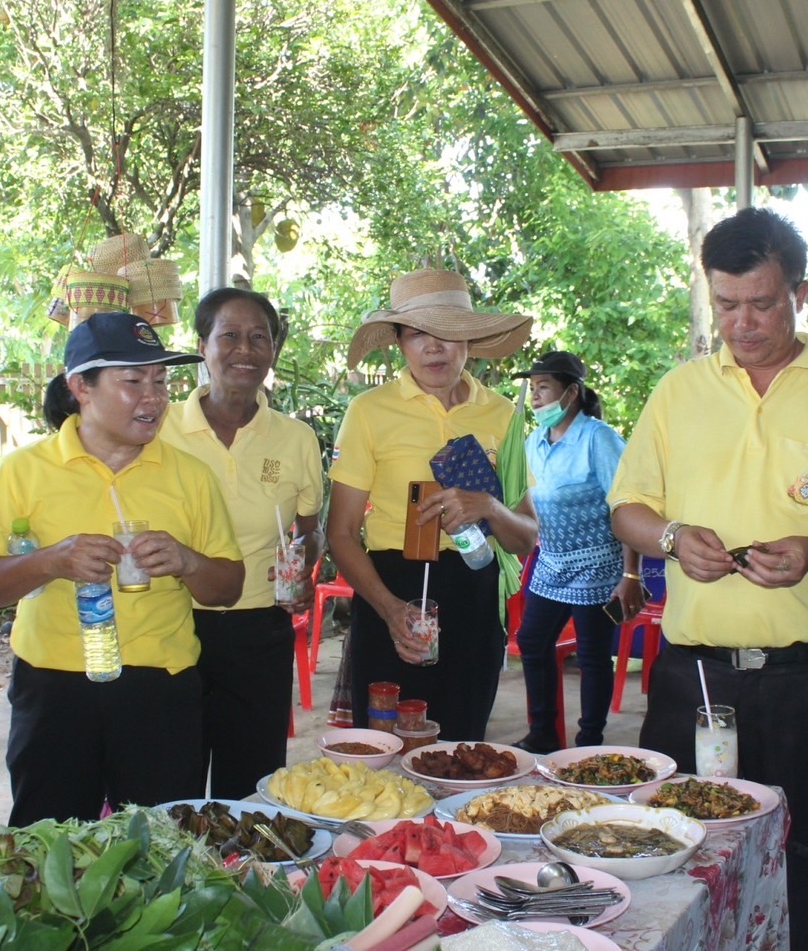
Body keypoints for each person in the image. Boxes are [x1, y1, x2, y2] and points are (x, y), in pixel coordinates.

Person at [608, 207, 808, 951]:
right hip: (694, 679)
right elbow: (627, 509)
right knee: (670, 854)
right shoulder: (679, 393)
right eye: (726, 305)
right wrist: (675, 538)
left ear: (799, 295)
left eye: (762, 303)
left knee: (793, 861)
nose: (742, 323)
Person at [0, 312, 243, 825]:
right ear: (80, 387)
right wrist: (50, 561)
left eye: (161, 381)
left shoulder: (190, 476)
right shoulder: (22, 471)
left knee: (162, 849)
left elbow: (228, 587)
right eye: (132, 381)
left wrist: (187, 561)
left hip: (161, 690)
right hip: (54, 688)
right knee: (50, 849)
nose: (152, 398)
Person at [330, 268, 537, 741]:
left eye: (446, 333)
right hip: (391, 590)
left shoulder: (501, 414)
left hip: (473, 593)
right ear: (399, 343)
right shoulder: (369, 411)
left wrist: (488, 505)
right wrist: (389, 609)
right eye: (417, 334)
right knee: (384, 752)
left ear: (469, 341)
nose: (433, 347)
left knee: (461, 753)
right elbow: (340, 533)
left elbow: (526, 536)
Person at [161, 287, 323, 799]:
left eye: (260, 338)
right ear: (202, 345)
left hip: (260, 631)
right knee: (172, 777)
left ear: (274, 349)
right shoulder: (158, 429)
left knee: (251, 786)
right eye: (229, 336)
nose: (245, 351)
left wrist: (302, 574)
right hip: (170, 626)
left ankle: (241, 877)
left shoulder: (295, 438)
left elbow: (308, 528)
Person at [507, 351, 643, 753]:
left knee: (592, 656)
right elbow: (530, 503)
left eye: (543, 387)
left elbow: (627, 505)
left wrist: (630, 575)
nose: (535, 397)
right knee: (532, 641)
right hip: (550, 563)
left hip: (599, 565)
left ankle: (589, 744)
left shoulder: (598, 438)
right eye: (532, 388)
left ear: (571, 392)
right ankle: (544, 733)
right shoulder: (533, 442)